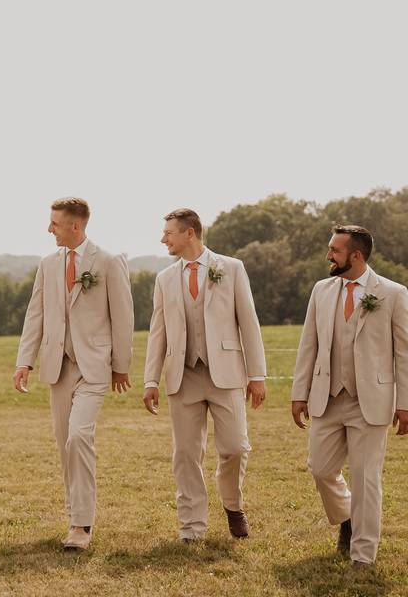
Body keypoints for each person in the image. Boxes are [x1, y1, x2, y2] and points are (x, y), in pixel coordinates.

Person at [13, 197, 134, 550]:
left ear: (75, 226)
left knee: (79, 436)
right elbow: (35, 314)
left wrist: (121, 366)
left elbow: (123, 317)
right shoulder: (48, 264)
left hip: (94, 366)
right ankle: (73, 517)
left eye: (54, 223)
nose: (49, 228)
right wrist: (25, 361)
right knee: (65, 445)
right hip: (57, 367)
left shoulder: (109, 262)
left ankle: (82, 526)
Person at [142, 208, 266, 542]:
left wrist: (257, 375)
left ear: (190, 234)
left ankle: (233, 505)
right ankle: (191, 527)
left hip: (226, 373)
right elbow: (158, 331)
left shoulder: (232, 268)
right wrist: (151, 379)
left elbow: (248, 323)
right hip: (183, 376)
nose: (163, 238)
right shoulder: (165, 279)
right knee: (185, 453)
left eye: (168, 232)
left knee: (235, 448)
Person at [291, 225, 408, 567]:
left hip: (371, 401)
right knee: (320, 468)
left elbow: (404, 353)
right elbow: (308, 344)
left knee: (365, 476)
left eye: (335, 250)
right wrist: (299, 393)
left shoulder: (392, 293)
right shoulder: (321, 290)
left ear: (356, 255)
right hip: (326, 397)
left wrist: (405, 403)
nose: (329, 255)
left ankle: (363, 553)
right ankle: (347, 517)